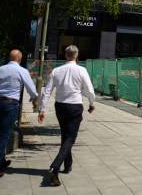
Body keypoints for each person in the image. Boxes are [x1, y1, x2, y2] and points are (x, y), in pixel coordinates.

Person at [38, 45, 95, 186]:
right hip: (75, 106)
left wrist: (42, 109)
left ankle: (68, 164)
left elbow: (47, 90)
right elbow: (89, 89)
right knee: (70, 137)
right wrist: (91, 103)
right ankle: (55, 167)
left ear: (65, 55)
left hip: (60, 106)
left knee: (65, 134)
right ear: (77, 55)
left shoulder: (57, 71)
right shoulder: (82, 70)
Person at [0, 49, 38, 180]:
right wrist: (34, 101)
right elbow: (32, 90)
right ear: (20, 59)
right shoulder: (22, 71)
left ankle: (1, 161)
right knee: (4, 136)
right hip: (11, 104)